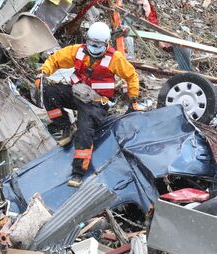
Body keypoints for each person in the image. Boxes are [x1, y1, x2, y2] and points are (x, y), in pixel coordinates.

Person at [35, 22, 140, 187]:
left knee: (85, 132)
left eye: (98, 44)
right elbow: (55, 59)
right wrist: (43, 72)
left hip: (96, 102)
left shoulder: (115, 59)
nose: (94, 47)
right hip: (78, 94)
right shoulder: (77, 51)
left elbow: (131, 76)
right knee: (50, 91)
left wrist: (133, 99)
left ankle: (78, 172)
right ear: (87, 40)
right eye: (91, 43)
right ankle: (65, 126)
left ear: (106, 44)